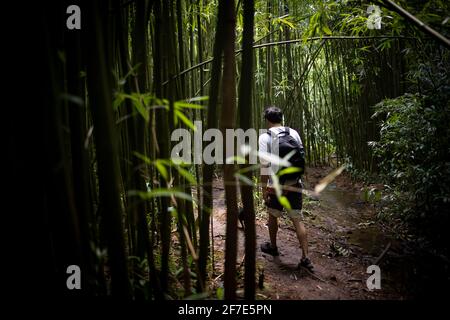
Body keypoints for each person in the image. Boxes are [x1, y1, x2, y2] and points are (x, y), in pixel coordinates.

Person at [258, 106, 314, 272]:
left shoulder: (265, 137)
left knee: (273, 216)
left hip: (276, 185)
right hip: (295, 183)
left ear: (267, 120)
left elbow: (264, 166)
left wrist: (263, 189)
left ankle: (273, 247)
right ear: (281, 118)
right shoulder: (293, 132)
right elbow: (301, 158)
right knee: (297, 219)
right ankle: (305, 258)